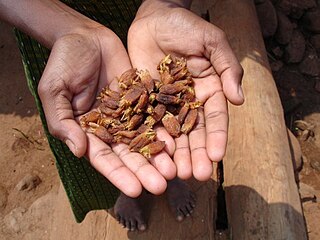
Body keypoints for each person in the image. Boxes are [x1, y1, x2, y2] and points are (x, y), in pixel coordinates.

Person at [0, 0, 244, 232]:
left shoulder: (157, 89)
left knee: (166, 154)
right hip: (50, 28)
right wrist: (64, 29)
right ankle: (124, 192)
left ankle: (171, 177)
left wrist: (163, 4)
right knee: (89, 146)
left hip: (141, 19)